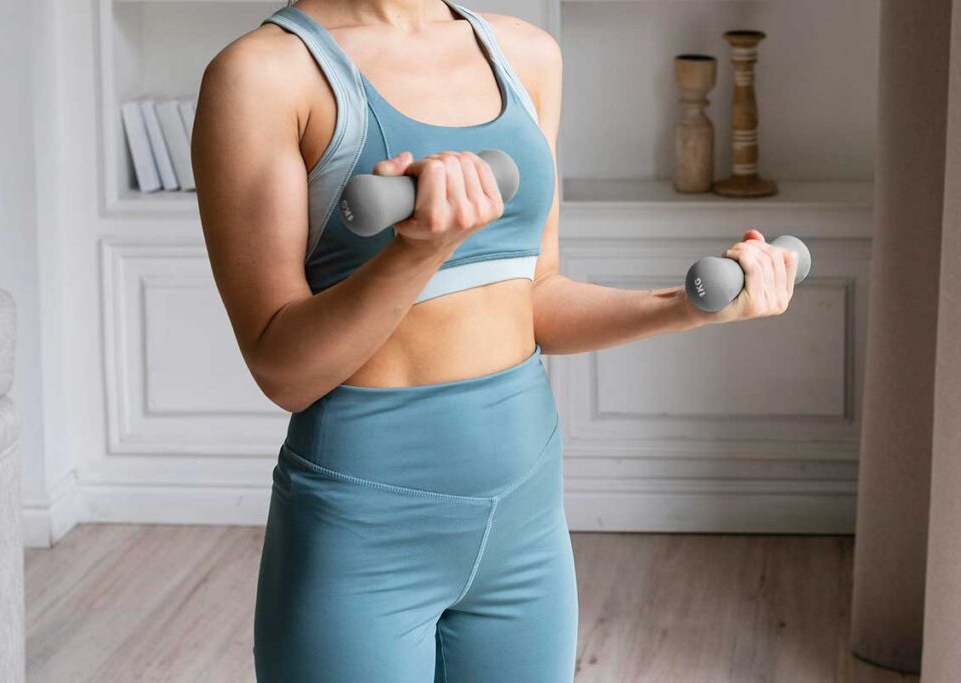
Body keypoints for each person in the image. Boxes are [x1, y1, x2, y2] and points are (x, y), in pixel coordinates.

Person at [190, 0, 799, 680]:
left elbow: (534, 293)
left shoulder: (525, 54)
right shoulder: (262, 75)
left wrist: (684, 307)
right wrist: (415, 254)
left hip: (526, 519)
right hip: (362, 531)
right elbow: (283, 369)